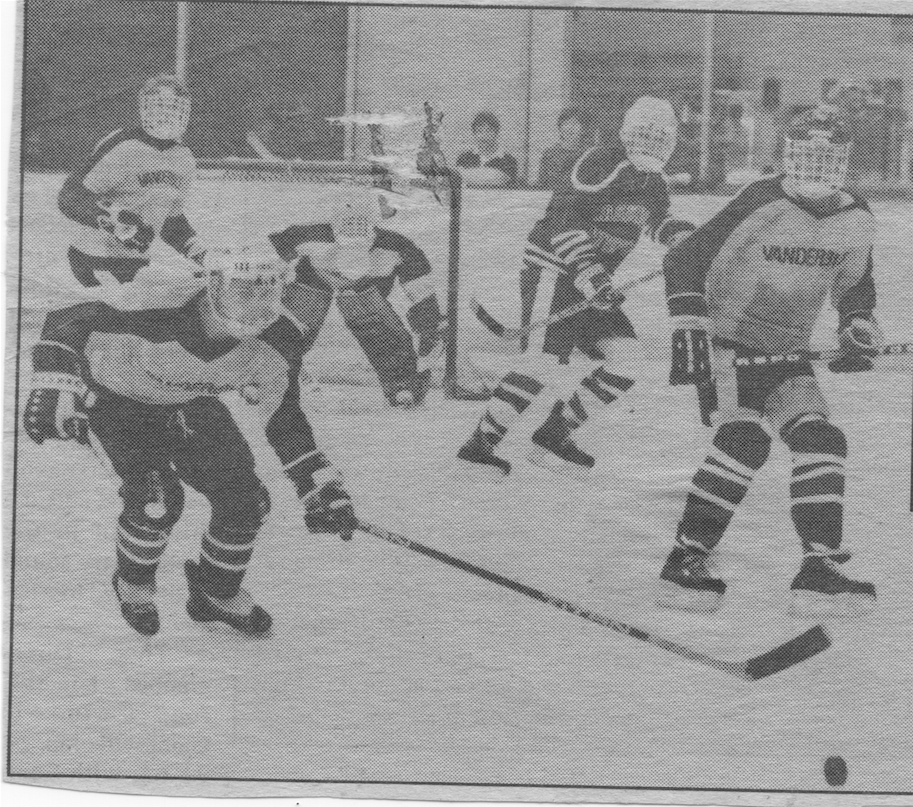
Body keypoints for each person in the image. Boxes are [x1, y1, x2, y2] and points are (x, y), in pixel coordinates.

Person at [23, 247, 357, 637]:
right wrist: (53, 382)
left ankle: (214, 594)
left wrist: (317, 485)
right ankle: (133, 582)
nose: (255, 307)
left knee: (246, 501)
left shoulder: (280, 339)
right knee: (156, 501)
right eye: (243, 291)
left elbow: (283, 416)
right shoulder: (160, 300)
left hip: (190, 401)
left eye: (267, 293)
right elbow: (66, 319)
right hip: (116, 401)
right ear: (212, 284)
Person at [657, 108, 879, 618]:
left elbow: (855, 285)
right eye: (808, 155)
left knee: (822, 440)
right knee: (745, 439)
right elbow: (684, 258)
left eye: (830, 157)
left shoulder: (856, 216)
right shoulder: (761, 199)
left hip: (789, 352)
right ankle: (686, 558)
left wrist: (857, 323)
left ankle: (818, 569)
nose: (818, 167)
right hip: (730, 345)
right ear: (786, 155)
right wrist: (688, 324)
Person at [456, 97, 695, 476]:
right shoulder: (600, 162)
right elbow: (564, 222)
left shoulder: (654, 183)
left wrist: (681, 237)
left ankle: (555, 431)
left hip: (594, 282)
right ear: (626, 132)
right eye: (643, 134)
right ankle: (481, 443)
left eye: (659, 137)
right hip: (555, 270)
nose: (651, 143)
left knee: (628, 360)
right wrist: (591, 275)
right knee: (542, 361)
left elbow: (657, 221)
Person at [269, 186, 445, 407]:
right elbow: (268, 258)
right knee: (302, 307)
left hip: (367, 291)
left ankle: (402, 383)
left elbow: (423, 296)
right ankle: (267, 370)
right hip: (315, 279)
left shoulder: (397, 248)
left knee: (368, 312)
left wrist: (430, 332)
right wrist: (274, 290)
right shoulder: (308, 237)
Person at [57, 74, 207, 299]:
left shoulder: (184, 159)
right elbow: (71, 196)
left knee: (193, 290)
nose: (166, 116)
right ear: (144, 108)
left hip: (133, 263)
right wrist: (114, 221)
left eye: (173, 108)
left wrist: (196, 249)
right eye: (159, 107)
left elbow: (169, 219)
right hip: (91, 259)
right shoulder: (124, 145)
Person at [455, 112, 519, 188]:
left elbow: (502, 181)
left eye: (489, 131)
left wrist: (467, 175)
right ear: (474, 134)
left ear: (496, 133)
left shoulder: (509, 161)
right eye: (479, 131)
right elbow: (457, 182)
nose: (484, 136)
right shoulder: (464, 158)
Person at [537, 108, 592, 191]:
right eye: (566, 123)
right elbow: (542, 184)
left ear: (583, 129)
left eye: (575, 123)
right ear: (560, 127)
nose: (570, 128)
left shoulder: (589, 154)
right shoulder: (549, 154)